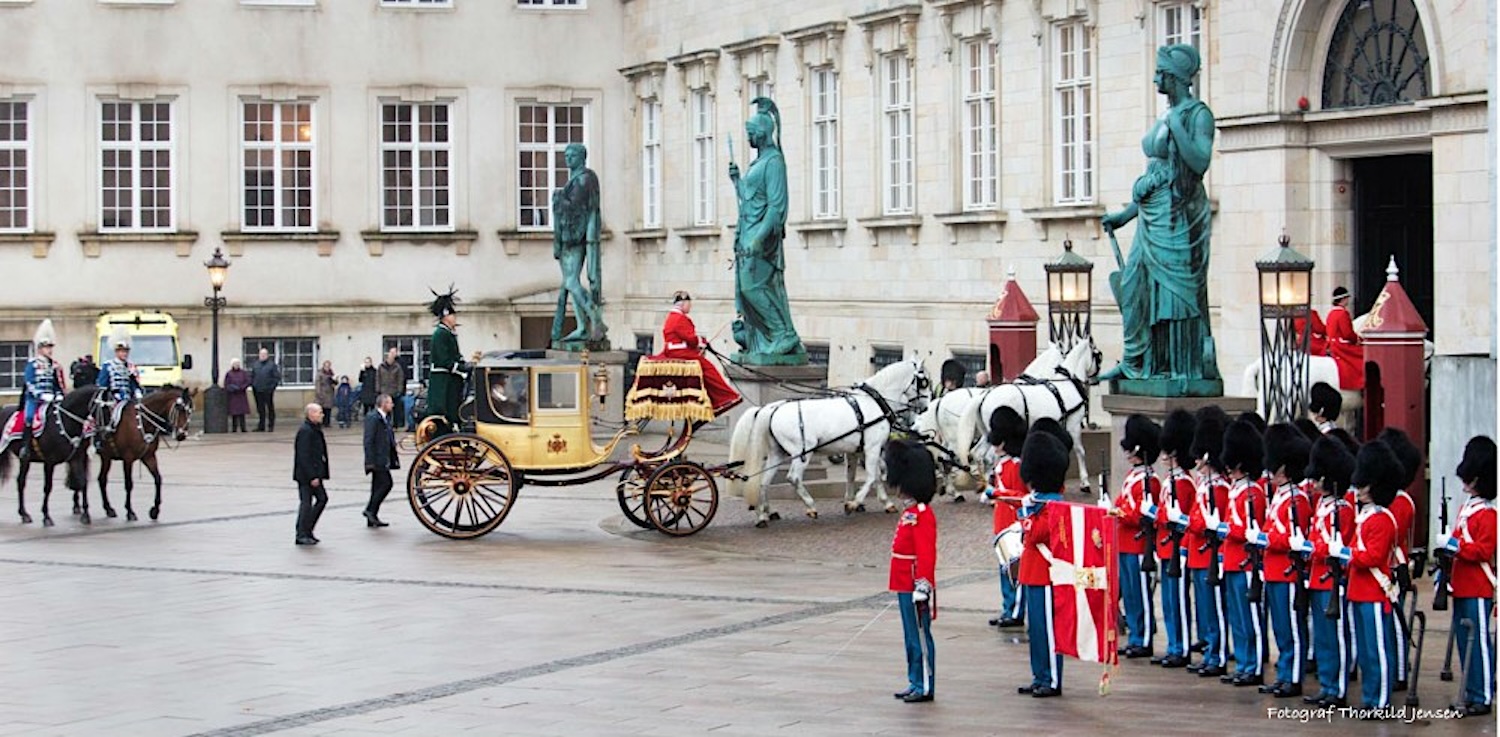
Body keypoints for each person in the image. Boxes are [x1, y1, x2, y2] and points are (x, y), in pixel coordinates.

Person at [1099, 44, 1220, 383]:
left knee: (1175, 297)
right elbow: (1157, 176)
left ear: (1174, 77)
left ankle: (1181, 368)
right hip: (1152, 218)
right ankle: (1135, 361)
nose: (1155, 80)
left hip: (1180, 219)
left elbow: (1199, 162)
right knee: (1133, 282)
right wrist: (1126, 215)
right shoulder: (1164, 117)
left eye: (1160, 74)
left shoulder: (1199, 115)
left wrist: (1176, 127)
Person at [729, 96, 805, 363]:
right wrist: (737, 181)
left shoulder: (774, 163)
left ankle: (783, 334)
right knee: (745, 293)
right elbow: (751, 199)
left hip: (760, 241)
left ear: (761, 134)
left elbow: (775, 207)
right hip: (747, 236)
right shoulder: (759, 163)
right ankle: (761, 340)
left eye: (750, 133)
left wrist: (760, 239)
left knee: (753, 288)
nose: (748, 138)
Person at [1334, 440, 1404, 712]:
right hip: (1358, 590)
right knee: (1364, 650)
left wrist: (1346, 553)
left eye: (1364, 485)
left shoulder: (1382, 519)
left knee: (1377, 650)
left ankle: (1382, 701)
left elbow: (1372, 557)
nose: (1359, 490)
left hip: (1375, 592)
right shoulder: (1364, 516)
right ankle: (1369, 698)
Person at [1437, 436, 1496, 717]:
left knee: (1480, 641)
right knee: (1465, 642)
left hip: (1478, 585)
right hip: (1461, 584)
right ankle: (1471, 692)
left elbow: (1483, 551)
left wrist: (1455, 546)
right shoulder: (1466, 509)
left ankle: (1483, 694)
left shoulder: (1487, 514)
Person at [1302, 436, 1357, 707]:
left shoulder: (1342, 510)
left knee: (1336, 637)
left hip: (1333, 581)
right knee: (1322, 637)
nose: (1313, 483)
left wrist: (1313, 548)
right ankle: (1326, 683)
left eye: (1317, 478)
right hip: (1317, 578)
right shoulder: (1322, 506)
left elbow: (1338, 546)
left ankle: (1338, 688)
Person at [1260, 424, 1314, 698]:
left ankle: (1293, 677)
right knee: (1280, 628)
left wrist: (1267, 539)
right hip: (1273, 571)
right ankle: (1283, 673)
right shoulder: (1281, 496)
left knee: (1292, 628)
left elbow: (1296, 540)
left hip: (1288, 572)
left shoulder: (1297, 499)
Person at [1016, 429, 1070, 698]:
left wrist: (1027, 510)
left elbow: (1035, 534)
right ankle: (1040, 676)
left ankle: (1052, 679)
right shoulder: (1039, 503)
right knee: (1035, 631)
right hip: (1032, 573)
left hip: (1048, 575)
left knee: (1048, 631)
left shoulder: (1053, 506)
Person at [885, 439, 938, 704]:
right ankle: (914, 680)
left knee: (919, 636)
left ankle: (925, 684)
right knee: (910, 636)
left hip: (915, 584)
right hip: (903, 582)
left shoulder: (922, 514)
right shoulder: (909, 512)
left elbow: (926, 553)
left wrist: (923, 584)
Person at [1218, 419, 1268, 687]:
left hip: (1247, 564)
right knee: (1237, 617)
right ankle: (1244, 663)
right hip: (1232, 562)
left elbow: (1251, 530)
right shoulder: (1238, 489)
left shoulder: (1253, 492)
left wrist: (1227, 529)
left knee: (1251, 619)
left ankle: (1255, 665)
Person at [1374, 426, 1421, 690]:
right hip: (1384, 568)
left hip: (1394, 568)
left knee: (1396, 623)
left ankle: (1400, 671)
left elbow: (1391, 536)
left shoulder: (1401, 501)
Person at [1185, 406, 1230, 678]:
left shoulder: (1220, 487)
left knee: (1216, 612)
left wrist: (1202, 525)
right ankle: (1212, 652)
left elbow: (1211, 524)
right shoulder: (1206, 485)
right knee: (1206, 609)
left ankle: (1218, 655)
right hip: (1199, 556)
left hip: (1211, 557)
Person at [549, 142, 607, 345]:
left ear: (582, 157)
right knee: (569, 282)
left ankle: (595, 318)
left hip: (576, 238)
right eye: (566, 155)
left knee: (571, 282)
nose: (567, 159)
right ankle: (582, 327)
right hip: (569, 238)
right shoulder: (576, 180)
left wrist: (558, 199)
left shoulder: (585, 179)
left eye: (571, 155)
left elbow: (577, 209)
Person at [1154, 409, 1198, 668]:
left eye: (1168, 453)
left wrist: (1162, 516)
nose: (1163, 457)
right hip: (1165, 548)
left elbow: (1184, 521)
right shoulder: (1172, 481)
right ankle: (1173, 644)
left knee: (1178, 601)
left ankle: (1180, 647)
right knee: (1169, 602)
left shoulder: (1184, 483)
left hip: (1177, 551)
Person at [1116, 415, 1162, 659]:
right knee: (1131, 594)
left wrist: (1118, 512)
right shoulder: (1133, 477)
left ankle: (1143, 638)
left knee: (1140, 594)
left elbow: (1139, 516)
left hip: (1139, 545)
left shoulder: (1149, 480)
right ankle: (1135, 634)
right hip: (1125, 544)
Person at [655, 291, 742, 416]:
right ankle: (725, 397)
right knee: (708, 368)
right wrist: (701, 342)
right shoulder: (681, 318)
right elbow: (691, 339)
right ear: (683, 303)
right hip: (681, 352)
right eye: (689, 304)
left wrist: (699, 343)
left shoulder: (672, 317)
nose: (690, 306)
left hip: (675, 350)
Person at [984, 406, 1027, 629]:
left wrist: (997, 493)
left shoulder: (1016, 465)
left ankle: (1016, 611)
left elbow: (1021, 497)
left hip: (1013, 525)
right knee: (1004, 569)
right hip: (1001, 524)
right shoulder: (1003, 464)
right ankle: (1008, 607)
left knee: (1014, 570)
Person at [19, 319, 64, 462]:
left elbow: (57, 384)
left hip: (51, 399)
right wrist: (42, 395)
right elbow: (29, 383)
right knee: (29, 417)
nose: (49, 350)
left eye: (51, 347)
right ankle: (25, 447)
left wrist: (58, 395)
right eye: (46, 347)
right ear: (39, 348)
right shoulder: (32, 364)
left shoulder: (55, 366)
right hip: (35, 400)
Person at [426, 288, 467, 433]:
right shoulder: (440, 334)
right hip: (443, 380)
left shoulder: (448, 334)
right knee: (445, 407)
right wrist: (462, 369)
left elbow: (455, 356)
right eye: (452, 315)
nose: (454, 318)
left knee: (454, 404)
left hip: (450, 378)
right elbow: (445, 360)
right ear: (445, 316)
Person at [96, 329, 143, 446]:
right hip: (113, 399)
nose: (124, 354)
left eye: (126, 351)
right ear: (116, 352)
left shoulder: (131, 366)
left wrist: (137, 391)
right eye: (122, 351)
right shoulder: (108, 366)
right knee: (111, 416)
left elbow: (134, 383)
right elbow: (102, 384)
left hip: (128, 398)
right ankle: (103, 437)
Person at [293, 403, 329, 546]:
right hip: (306, 475)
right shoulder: (306, 431)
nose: (322, 415)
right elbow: (303, 456)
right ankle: (302, 533)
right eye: (319, 412)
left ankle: (307, 530)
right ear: (311, 414)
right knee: (306, 503)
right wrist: (312, 476)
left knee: (321, 499)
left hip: (315, 472)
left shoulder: (314, 429)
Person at [363, 393, 400, 528]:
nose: (392, 405)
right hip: (377, 459)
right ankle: (369, 510)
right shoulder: (373, 418)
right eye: (390, 403)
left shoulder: (384, 417)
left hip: (384, 457)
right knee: (386, 484)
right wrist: (369, 461)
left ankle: (372, 516)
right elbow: (369, 440)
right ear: (383, 404)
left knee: (376, 487)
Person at [1324, 287, 1364, 390]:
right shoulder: (1343, 313)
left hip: (1332, 345)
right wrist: (1357, 339)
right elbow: (1347, 334)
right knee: (1364, 356)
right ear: (1343, 299)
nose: (1347, 301)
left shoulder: (1331, 313)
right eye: (1346, 298)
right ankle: (1361, 384)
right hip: (1341, 346)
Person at [251, 347, 282, 432]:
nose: (262, 356)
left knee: (270, 408)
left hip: (268, 390)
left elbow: (277, 377)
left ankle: (271, 425)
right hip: (257, 390)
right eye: (261, 354)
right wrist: (253, 385)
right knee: (260, 409)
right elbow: (252, 376)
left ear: (267, 355)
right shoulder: (256, 364)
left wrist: (271, 387)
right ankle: (261, 426)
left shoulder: (272, 365)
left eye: (264, 354)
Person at [377, 348, 407, 430]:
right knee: (385, 409)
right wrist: (378, 389)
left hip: (394, 391)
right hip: (384, 391)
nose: (390, 360)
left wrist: (399, 390)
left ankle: (395, 425)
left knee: (396, 410)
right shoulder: (381, 367)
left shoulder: (397, 367)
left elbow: (400, 379)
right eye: (388, 358)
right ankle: (386, 424)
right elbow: (378, 378)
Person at [223, 358, 251, 433]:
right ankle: (234, 428)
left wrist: (242, 387)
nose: (236, 365)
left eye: (238, 364)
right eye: (235, 364)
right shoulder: (229, 373)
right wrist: (232, 388)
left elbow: (247, 381)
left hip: (241, 394)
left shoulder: (243, 373)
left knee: (242, 413)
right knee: (234, 413)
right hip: (233, 396)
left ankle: (243, 428)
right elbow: (226, 384)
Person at [314, 360, 335, 428]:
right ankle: (320, 422)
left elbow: (333, 383)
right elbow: (318, 383)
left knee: (328, 409)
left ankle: (327, 423)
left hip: (329, 393)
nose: (327, 367)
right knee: (321, 409)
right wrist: (319, 393)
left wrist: (335, 380)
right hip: (322, 392)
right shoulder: (320, 373)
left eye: (328, 366)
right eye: (326, 366)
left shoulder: (331, 373)